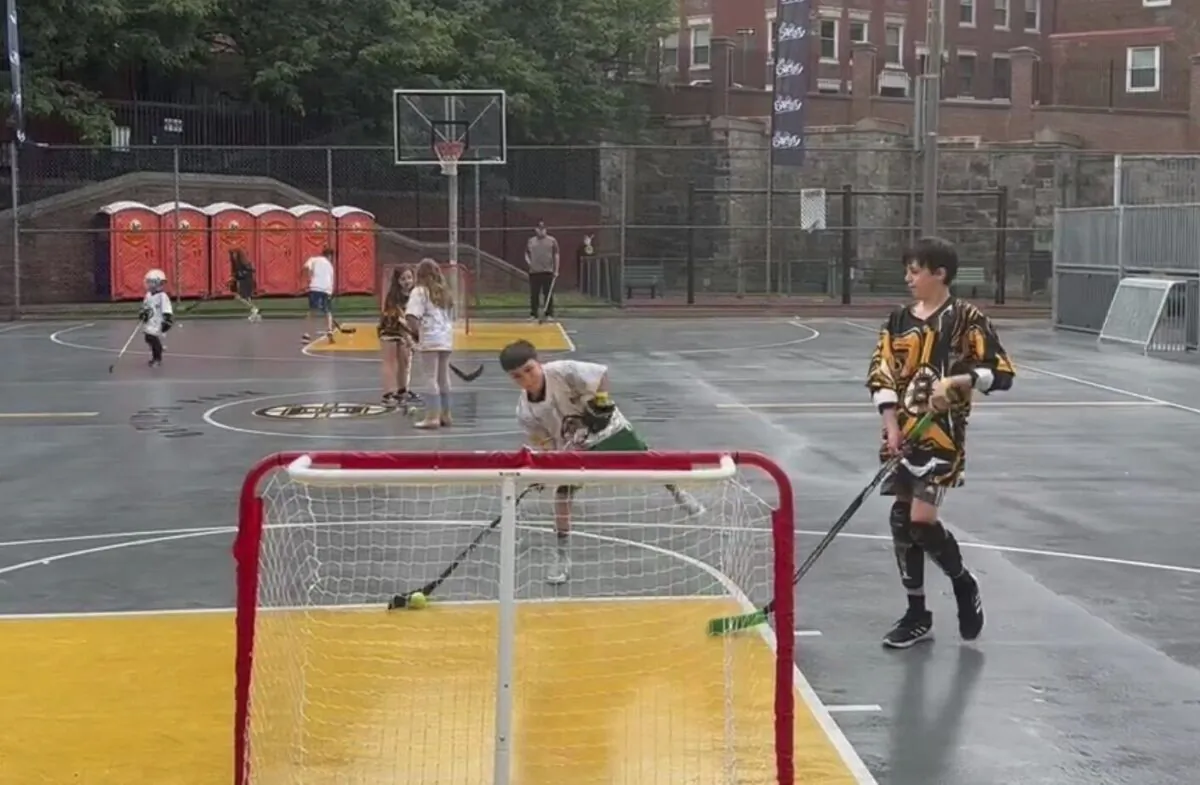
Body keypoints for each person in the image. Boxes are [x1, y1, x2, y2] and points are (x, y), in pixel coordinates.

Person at [865, 237, 1016, 649]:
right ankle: (917, 613)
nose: (908, 278)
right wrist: (891, 426)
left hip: (942, 436)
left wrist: (959, 381)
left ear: (940, 274)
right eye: (908, 271)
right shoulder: (898, 321)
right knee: (901, 520)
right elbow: (881, 373)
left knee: (921, 520)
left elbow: (1001, 373)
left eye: (915, 271)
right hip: (903, 436)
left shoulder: (967, 319)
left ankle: (963, 582)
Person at [498, 339, 704, 584]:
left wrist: (601, 403)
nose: (526, 379)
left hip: (608, 429)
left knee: (647, 459)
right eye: (517, 376)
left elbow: (601, 374)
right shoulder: (525, 412)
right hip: (574, 447)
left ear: (539, 363)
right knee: (562, 495)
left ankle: (678, 492)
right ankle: (562, 555)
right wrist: (547, 466)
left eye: (529, 370)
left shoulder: (563, 371)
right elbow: (544, 442)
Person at [405, 259, 455, 429]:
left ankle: (432, 417)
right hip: (445, 337)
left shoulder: (419, 292)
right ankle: (446, 414)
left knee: (430, 376)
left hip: (430, 337)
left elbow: (412, 316)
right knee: (443, 377)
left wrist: (415, 333)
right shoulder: (444, 292)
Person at [378, 265, 419, 407]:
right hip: (390, 330)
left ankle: (402, 390)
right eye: (403, 279)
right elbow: (399, 319)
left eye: (409, 277)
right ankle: (388, 393)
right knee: (390, 362)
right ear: (397, 281)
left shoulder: (416, 295)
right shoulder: (393, 297)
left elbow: (415, 318)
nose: (407, 281)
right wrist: (408, 337)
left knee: (405, 360)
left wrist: (416, 336)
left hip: (405, 331)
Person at [139, 268, 174, 368]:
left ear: (156, 283)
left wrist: (167, 320)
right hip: (150, 321)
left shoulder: (162, 296)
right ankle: (158, 349)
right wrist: (143, 314)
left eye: (150, 282)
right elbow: (145, 306)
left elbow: (167, 309)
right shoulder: (148, 295)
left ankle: (157, 358)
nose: (148, 284)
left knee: (152, 338)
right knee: (148, 338)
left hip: (158, 322)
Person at [525, 220, 559, 321]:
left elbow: (556, 254)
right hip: (534, 272)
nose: (541, 231)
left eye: (543, 229)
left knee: (548, 293)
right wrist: (530, 263)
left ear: (546, 230)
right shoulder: (531, 241)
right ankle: (533, 314)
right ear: (536, 230)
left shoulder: (552, 240)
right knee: (534, 294)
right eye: (539, 229)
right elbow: (526, 253)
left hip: (547, 270)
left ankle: (549, 314)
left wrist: (556, 270)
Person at [302, 246, 336, 342]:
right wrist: (330, 293)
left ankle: (307, 334)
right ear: (330, 256)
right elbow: (331, 280)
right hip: (326, 289)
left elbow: (306, 267)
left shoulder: (313, 259)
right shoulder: (330, 266)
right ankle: (329, 330)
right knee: (328, 311)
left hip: (315, 287)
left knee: (312, 311)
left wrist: (309, 278)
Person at [229, 249, 260, 322]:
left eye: (234, 254)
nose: (233, 256)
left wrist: (236, 277)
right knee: (247, 298)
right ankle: (254, 314)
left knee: (239, 297)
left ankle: (254, 308)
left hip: (245, 282)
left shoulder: (241, 263)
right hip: (245, 281)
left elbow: (244, 273)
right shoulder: (241, 263)